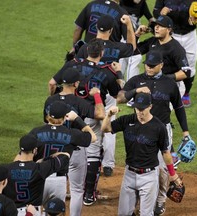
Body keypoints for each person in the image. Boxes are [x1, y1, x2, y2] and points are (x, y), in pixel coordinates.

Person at [117, 50, 191, 215]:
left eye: (152, 66)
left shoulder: (169, 84)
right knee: (138, 161)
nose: (149, 68)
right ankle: (135, 197)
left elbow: (179, 108)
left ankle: (160, 199)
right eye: (147, 65)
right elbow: (120, 97)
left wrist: (185, 131)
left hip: (162, 129)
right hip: (139, 127)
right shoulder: (136, 81)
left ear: (161, 65)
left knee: (162, 168)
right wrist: (135, 91)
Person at [48, 38, 121, 206]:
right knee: (93, 153)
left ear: (87, 51)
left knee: (65, 147)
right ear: (102, 53)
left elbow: (52, 83)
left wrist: (53, 100)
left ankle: (60, 187)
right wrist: (119, 74)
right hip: (93, 114)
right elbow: (118, 95)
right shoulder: (107, 71)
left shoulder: (71, 65)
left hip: (69, 114)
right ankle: (88, 194)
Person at [101, 93, 183, 216]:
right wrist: (109, 115)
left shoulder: (159, 127)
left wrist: (172, 174)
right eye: (137, 108)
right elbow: (105, 129)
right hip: (129, 174)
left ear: (150, 106)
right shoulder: (127, 120)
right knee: (123, 214)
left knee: (146, 214)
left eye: (142, 109)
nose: (139, 112)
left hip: (149, 177)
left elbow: (165, 152)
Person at [76, 14, 136, 177]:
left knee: (87, 123)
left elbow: (78, 67)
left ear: (96, 29)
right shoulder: (116, 47)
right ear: (111, 30)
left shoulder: (85, 47)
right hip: (109, 90)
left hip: (88, 91)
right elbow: (132, 47)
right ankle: (108, 164)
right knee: (109, 124)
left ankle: (87, 160)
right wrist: (129, 25)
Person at [44, 68, 105, 215]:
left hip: (52, 149)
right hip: (75, 149)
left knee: (50, 186)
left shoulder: (50, 101)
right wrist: (96, 96)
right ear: (76, 84)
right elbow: (100, 114)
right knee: (77, 190)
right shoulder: (79, 102)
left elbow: (47, 124)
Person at [27, 100, 95, 208]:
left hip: (38, 177)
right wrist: (77, 119)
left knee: (34, 210)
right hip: (58, 181)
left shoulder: (35, 132)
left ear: (48, 115)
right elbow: (93, 137)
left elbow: (26, 155)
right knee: (56, 211)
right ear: (64, 118)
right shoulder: (71, 133)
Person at [153, 0, 197, 107]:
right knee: (166, 64)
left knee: (190, 67)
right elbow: (156, 13)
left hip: (190, 36)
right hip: (171, 35)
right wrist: (161, 14)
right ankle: (162, 92)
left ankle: (186, 93)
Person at [2, 134, 71, 216]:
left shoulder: (5, 170)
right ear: (35, 150)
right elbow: (66, 156)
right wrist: (44, 159)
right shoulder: (40, 168)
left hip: (11, 212)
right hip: (33, 212)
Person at [134, 15, 191, 98]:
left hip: (172, 85)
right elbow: (133, 51)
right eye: (155, 25)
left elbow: (186, 72)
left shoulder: (176, 48)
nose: (156, 28)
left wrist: (163, 79)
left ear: (169, 29)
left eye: (160, 26)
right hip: (153, 83)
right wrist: (137, 35)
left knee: (158, 110)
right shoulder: (153, 41)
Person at [119, 0, 155, 82]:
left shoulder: (142, 3)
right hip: (122, 37)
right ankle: (125, 86)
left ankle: (128, 86)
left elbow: (150, 18)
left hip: (135, 36)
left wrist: (153, 28)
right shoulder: (123, 2)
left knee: (132, 59)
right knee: (129, 59)